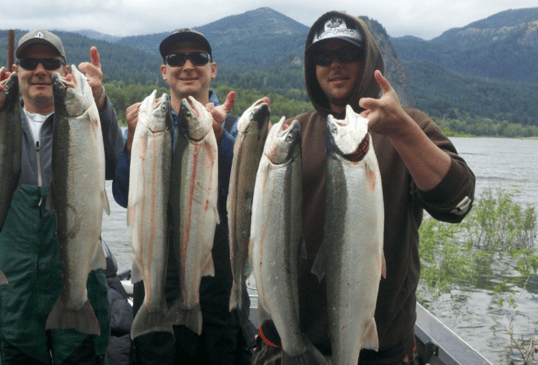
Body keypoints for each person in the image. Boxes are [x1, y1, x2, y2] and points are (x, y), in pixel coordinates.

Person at [253, 11, 476, 365]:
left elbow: (457, 204)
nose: (335, 64)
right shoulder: (292, 135)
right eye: (323, 57)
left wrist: (402, 130)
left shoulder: (408, 126)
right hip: (291, 346)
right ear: (312, 67)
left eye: (348, 54)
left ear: (369, 59)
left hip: (379, 349)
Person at [0, 29, 125, 365]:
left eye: (50, 62)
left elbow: (113, 162)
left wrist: (102, 103)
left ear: (65, 72)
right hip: (13, 282)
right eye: (28, 62)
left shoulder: (86, 118)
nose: (39, 70)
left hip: (76, 269)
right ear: (16, 69)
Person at [112, 28, 256, 365]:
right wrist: (132, 142)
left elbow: (247, 198)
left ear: (213, 68)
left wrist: (219, 141)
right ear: (165, 72)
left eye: (198, 58)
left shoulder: (237, 129)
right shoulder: (147, 130)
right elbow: (121, 195)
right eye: (176, 59)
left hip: (219, 292)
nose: (188, 65)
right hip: (156, 285)